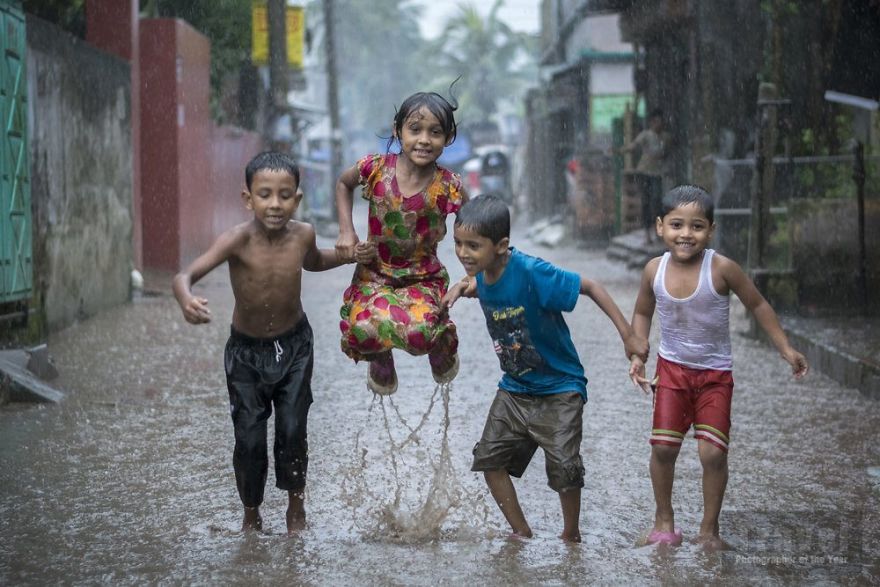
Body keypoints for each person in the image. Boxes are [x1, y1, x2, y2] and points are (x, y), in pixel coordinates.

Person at [172, 151, 369, 534]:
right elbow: (185, 275)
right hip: (246, 354)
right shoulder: (236, 240)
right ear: (248, 199)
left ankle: (296, 509)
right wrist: (185, 299)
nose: (275, 204)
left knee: (293, 429)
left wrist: (348, 257)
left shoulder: (304, 233)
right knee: (248, 437)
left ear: (297, 199)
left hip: (295, 346)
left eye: (284, 195)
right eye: (265, 194)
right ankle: (251, 514)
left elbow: (313, 261)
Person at [441, 194, 648, 542]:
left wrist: (628, 336)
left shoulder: (533, 272)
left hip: (560, 387)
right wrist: (461, 287)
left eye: (473, 246)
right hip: (516, 387)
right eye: (458, 244)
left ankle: (571, 536)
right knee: (489, 460)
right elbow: (482, 284)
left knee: (565, 469)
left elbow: (591, 286)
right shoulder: (484, 273)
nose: (463, 253)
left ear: (502, 245)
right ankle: (521, 532)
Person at [628, 185, 809, 550]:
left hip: (715, 377)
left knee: (712, 453)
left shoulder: (723, 268)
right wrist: (638, 352)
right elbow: (643, 311)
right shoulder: (654, 270)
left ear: (710, 230)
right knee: (663, 449)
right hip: (672, 371)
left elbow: (757, 305)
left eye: (696, 226)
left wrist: (785, 348)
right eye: (677, 225)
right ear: (660, 227)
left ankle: (709, 530)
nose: (686, 234)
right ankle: (664, 522)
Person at [335, 91, 468, 395]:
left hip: (424, 279)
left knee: (420, 334)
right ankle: (380, 358)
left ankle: (441, 343)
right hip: (374, 276)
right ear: (398, 131)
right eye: (415, 129)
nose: (424, 140)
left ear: (448, 138)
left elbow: (473, 225)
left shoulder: (449, 186)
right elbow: (343, 184)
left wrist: (473, 272)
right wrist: (348, 232)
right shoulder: (375, 169)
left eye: (435, 132)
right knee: (362, 330)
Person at [621, 109, 668, 245]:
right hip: (645, 173)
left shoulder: (665, 137)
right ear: (652, 122)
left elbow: (667, 151)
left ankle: (657, 232)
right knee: (646, 202)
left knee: (657, 202)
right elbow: (634, 146)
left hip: (658, 173)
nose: (659, 124)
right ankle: (647, 234)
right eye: (656, 121)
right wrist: (622, 150)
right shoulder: (646, 135)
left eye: (661, 122)